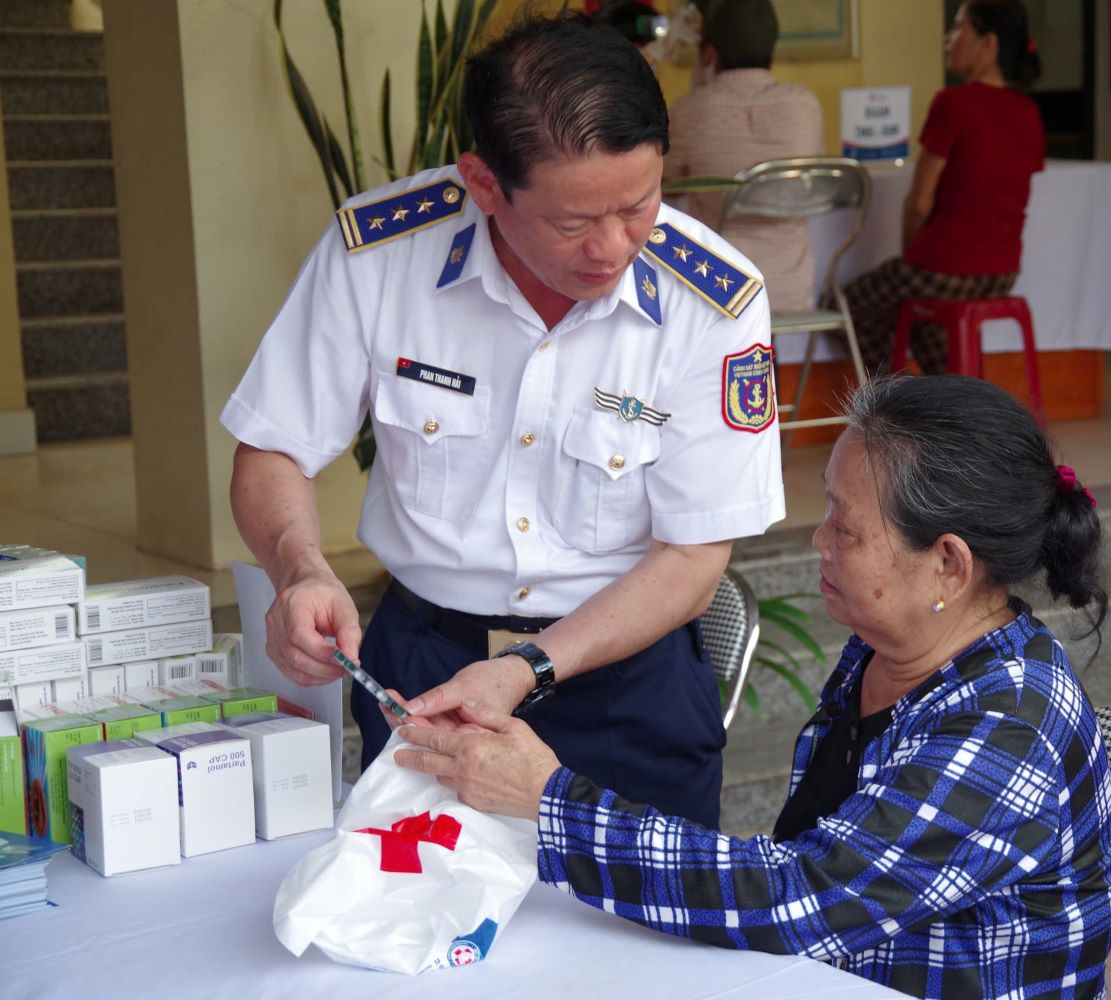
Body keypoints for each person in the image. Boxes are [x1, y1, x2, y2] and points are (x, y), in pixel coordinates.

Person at [221, 12, 785, 830]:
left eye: (639, 204)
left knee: (637, 953)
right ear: (483, 183)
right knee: (414, 920)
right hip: (426, 674)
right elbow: (273, 445)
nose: (614, 245)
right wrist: (298, 565)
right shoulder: (381, 256)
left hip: (622, 687)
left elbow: (695, 554)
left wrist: (529, 668)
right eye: (572, 222)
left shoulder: (712, 299)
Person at [394, 374, 1111, 999]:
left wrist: (549, 800)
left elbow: (802, 897)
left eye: (847, 526)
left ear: (949, 567)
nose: (820, 540)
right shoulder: (897, 652)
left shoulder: (1009, 723)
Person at [843, 0, 1044, 376]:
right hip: (1002, 271)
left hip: (945, 267)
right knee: (917, 311)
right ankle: (956, 399)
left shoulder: (954, 104)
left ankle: (898, 404)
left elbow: (919, 203)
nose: (947, 40)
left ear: (989, 44)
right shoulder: (1027, 112)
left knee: (847, 306)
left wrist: (913, 256)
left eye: (958, 29)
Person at [663, 0, 825, 312]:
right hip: (790, 289)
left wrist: (699, 83)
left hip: (715, 287)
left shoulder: (691, 109)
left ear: (710, 53)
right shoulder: (805, 106)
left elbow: (667, 183)